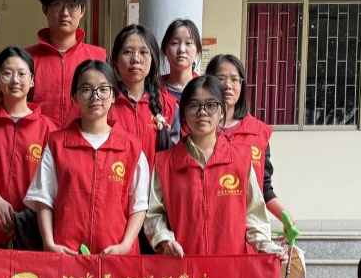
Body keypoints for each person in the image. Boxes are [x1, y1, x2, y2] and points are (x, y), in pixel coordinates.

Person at [144, 75, 286, 259]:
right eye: (194, 105)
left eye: (211, 105)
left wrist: (267, 247)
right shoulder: (165, 163)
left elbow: (254, 215)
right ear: (184, 113)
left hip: (230, 268)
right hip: (184, 268)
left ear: (222, 112)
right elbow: (155, 214)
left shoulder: (241, 159)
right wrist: (165, 240)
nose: (202, 112)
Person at [24, 60, 147, 255]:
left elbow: (139, 205)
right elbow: (43, 198)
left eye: (103, 89)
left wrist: (125, 245)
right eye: (86, 90)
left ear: (114, 95)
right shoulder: (56, 144)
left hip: (117, 255)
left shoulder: (131, 148)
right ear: (75, 97)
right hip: (66, 252)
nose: (95, 96)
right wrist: (49, 243)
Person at [0, 47, 57, 248]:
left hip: (31, 230)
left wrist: (24, 218)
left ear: (32, 80)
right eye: (7, 73)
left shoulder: (50, 129)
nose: (15, 80)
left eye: (22, 74)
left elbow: (52, 185)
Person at [206, 53, 293, 225]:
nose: (228, 85)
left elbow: (264, 187)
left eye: (234, 79)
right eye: (221, 78)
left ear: (242, 85)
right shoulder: (199, 129)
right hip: (209, 225)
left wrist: (286, 218)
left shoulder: (258, 132)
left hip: (249, 229)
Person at [26, 0, 108, 129]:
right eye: (57, 4)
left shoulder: (100, 57)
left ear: (82, 11)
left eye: (72, 5)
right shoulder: (26, 59)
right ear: (45, 9)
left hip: (83, 139)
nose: (64, 13)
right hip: (38, 141)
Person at [109, 24, 177, 169]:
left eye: (143, 52)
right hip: (115, 182)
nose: (136, 58)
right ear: (115, 60)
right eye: (128, 52)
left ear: (152, 60)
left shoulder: (170, 106)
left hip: (156, 183)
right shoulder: (104, 103)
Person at [161, 18, 202, 103]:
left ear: (197, 51)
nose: (181, 49)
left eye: (188, 43)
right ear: (165, 50)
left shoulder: (205, 88)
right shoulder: (152, 89)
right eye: (175, 43)